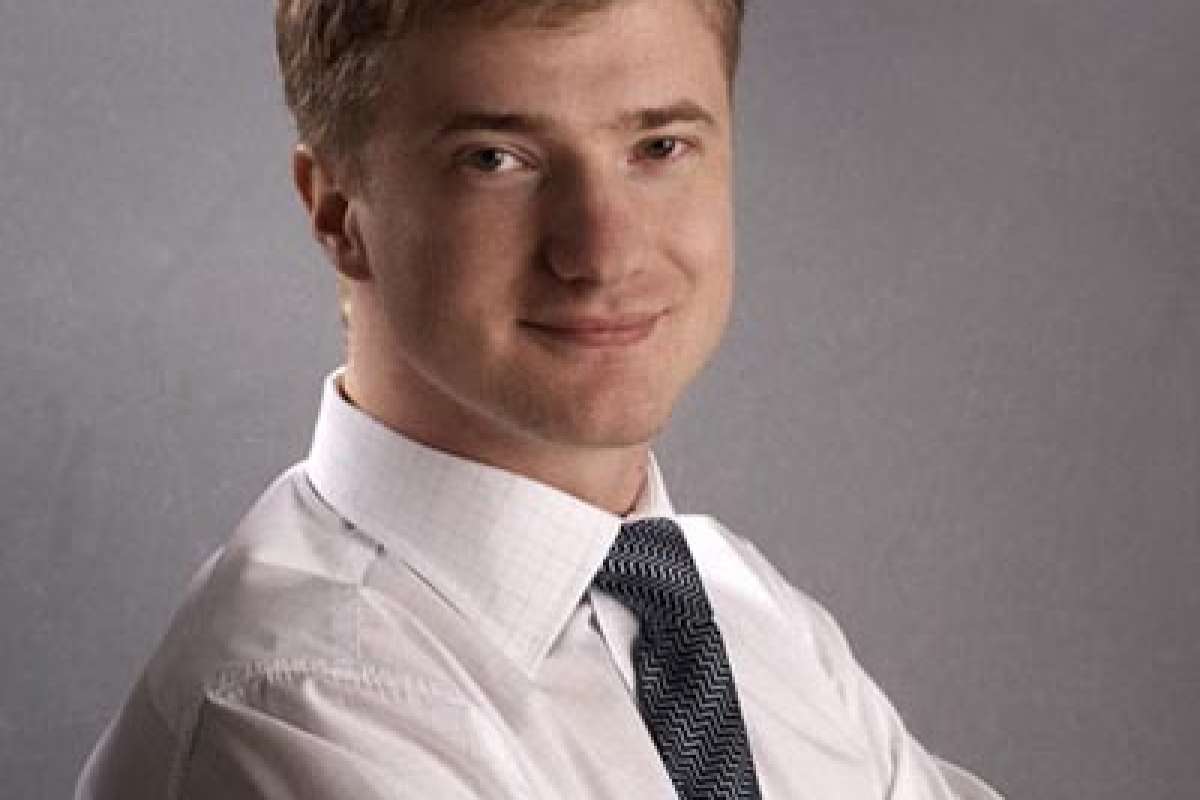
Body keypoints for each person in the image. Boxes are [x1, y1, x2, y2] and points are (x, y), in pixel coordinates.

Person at [77, 1, 1001, 797]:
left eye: (659, 146)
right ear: (336, 211)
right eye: (496, 159)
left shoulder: (745, 611)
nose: (604, 253)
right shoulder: (290, 706)